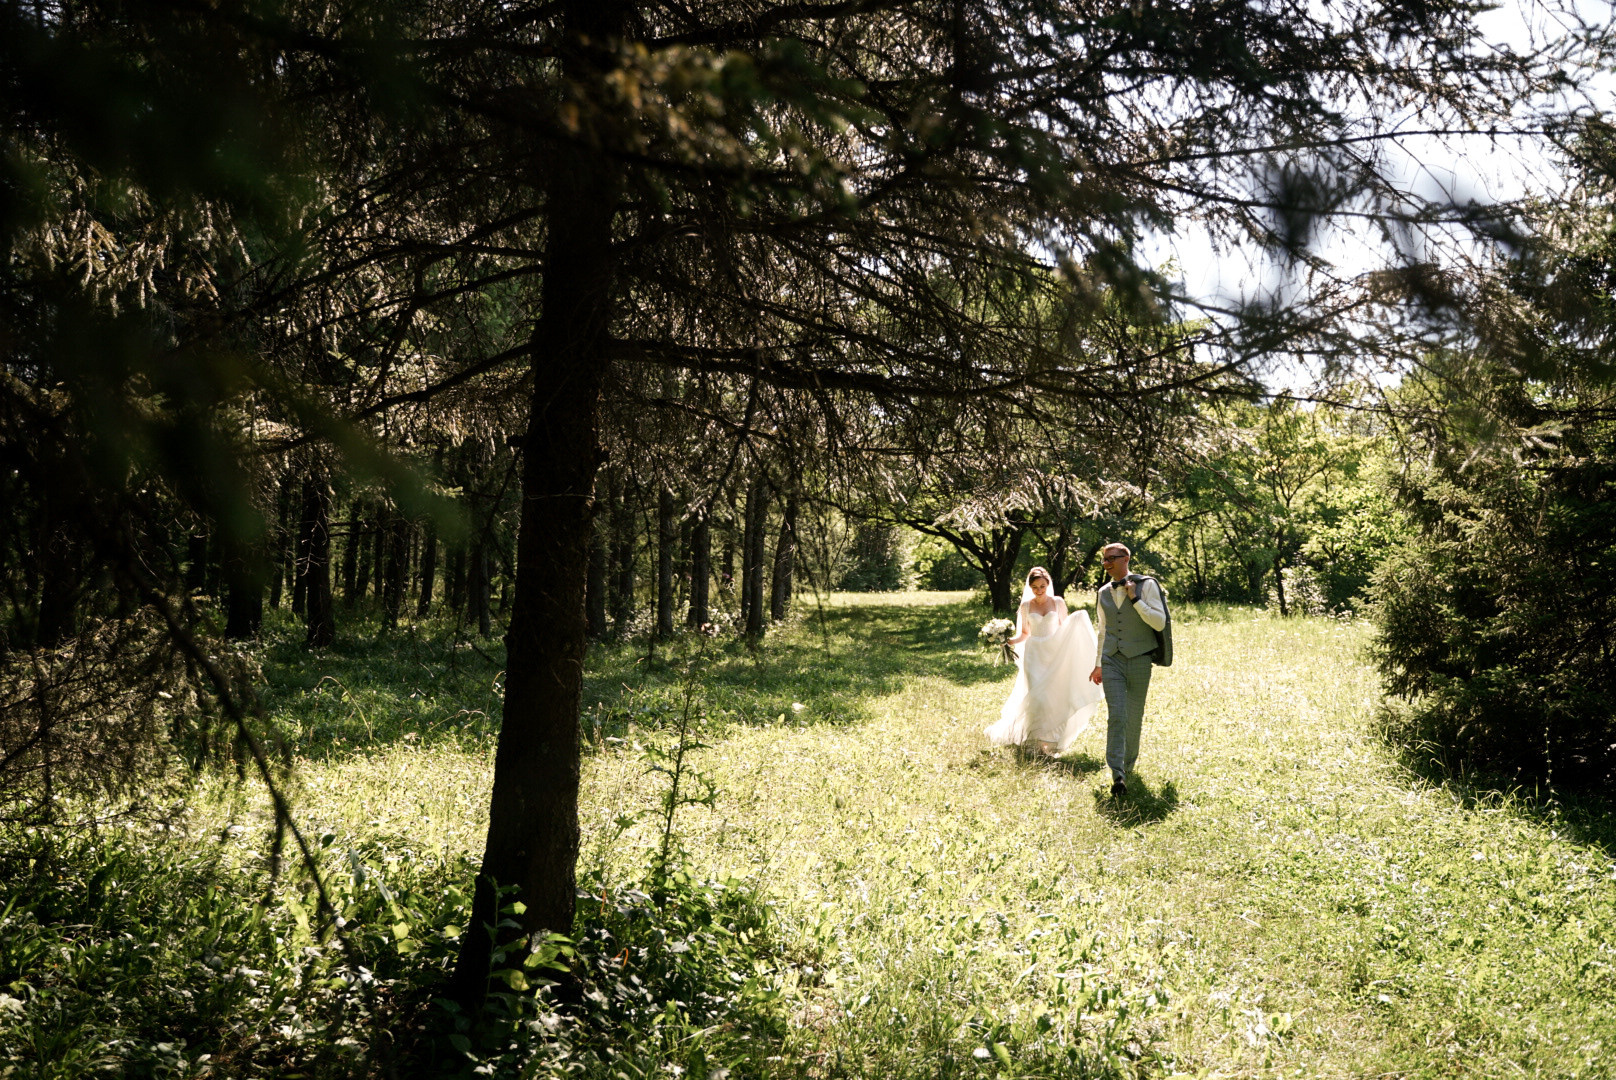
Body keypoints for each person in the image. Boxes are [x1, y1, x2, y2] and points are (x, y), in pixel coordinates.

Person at [985, 566, 1102, 756]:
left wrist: (1078, 621)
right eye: (1035, 587)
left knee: (1052, 696)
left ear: (1048, 585)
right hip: (1034, 654)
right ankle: (1034, 739)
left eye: (1042, 586)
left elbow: (1065, 627)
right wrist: (1007, 640)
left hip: (1054, 652)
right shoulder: (1026, 606)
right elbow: (1025, 633)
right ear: (1030, 587)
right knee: (1037, 697)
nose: (1039, 591)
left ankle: (1048, 739)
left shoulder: (1057, 602)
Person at [1088, 543, 1167, 798]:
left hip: (1140, 658)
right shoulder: (1103, 592)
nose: (1107, 563)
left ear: (1126, 559)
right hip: (1112, 659)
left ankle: (1129, 765)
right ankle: (1117, 774)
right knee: (1117, 715)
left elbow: (1159, 622)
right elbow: (1103, 630)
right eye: (1104, 559)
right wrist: (1099, 663)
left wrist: (1135, 599)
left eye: (1112, 558)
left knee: (1134, 715)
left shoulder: (1147, 585)